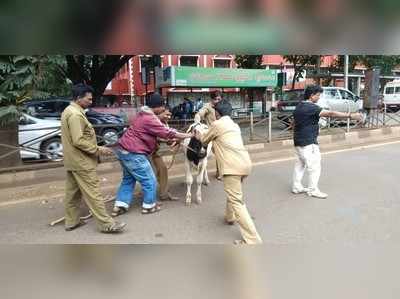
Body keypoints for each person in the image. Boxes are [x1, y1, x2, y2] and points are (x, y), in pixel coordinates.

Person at [112, 93, 193, 216]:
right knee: (150, 180)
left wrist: (170, 139)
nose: (165, 111)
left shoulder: (142, 114)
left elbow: (155, 134)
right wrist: (190, 135)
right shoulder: (150, 118)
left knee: (128, 179)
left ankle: (120, 205)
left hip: (123, 150)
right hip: (135, 152)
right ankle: (149, 206)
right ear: (158, 107)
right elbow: (168, 133)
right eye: (163, 107)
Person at [195, 100, 262, 245]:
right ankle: (230, 217)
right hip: (245, 164)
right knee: (233, 193)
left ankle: (252, 240)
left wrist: (198, 134)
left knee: (237, 201)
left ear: (217, 114)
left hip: (232, 167)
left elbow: (205, 141)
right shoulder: (234, 125)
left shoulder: (217, 124)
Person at [61, 83, 126, 233]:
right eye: (88, 99)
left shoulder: (69, 111)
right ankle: (106, 224)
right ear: (78, 98)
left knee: (72, 194)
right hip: (82, 161)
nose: (91, 102)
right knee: (94, 194)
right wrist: (98, 150)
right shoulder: (75, 115)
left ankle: (71, 222)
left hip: (73, 161)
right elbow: (78, 140)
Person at [292, 85, 363, 199]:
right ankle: (313, 190)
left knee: (300, 164)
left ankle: (296, 187)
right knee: (314, 166)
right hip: (308, 141)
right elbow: (331, 113)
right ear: (312, 95)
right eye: (318, 95)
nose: (319, 98)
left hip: (298, 140)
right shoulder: (311, 108)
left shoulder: (299, 106)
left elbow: (293, 123)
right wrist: (350, 115)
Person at [151, 106, 180, 201]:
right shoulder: (153, 121)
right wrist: (170, 139)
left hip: (154, 151)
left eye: (170, 115)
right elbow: (158, 137)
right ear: (160, 113)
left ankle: (164, 194)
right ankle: (149, 201)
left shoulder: (165, 123)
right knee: (150, 176)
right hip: (143, 152)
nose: (169, 117)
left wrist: (175, 140)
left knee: (163, 169)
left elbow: (167, 138)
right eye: (167, 114)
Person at [194, 91, 223, 179]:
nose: (217, 101)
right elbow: (199, 114)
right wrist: (197, 122)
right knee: (203, 154)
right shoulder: (207, 106)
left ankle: (220, 172)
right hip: (211, 134)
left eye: (219, 99)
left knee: (221, 154)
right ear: (212, 99)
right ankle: (202, 173)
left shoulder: (221, 106)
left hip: (221, 133)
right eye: (216, 99)